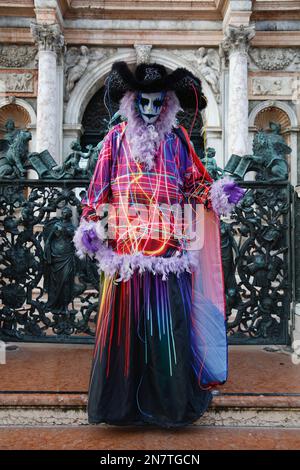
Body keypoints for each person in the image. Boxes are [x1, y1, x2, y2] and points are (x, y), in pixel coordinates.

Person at [73, 61, 245, 428]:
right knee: (127, 331)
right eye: (143, 103)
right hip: (126, 253)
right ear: (131, 104)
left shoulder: (178, 140)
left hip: (168, 251)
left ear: (167, 105)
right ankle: (122, 409)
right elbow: (98, 190)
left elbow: (192, 183)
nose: (150, 111)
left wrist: (217, 193)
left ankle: (168, 406)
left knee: (168, 331)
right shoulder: (114, 140)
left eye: (157, 104)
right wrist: (90, 222)